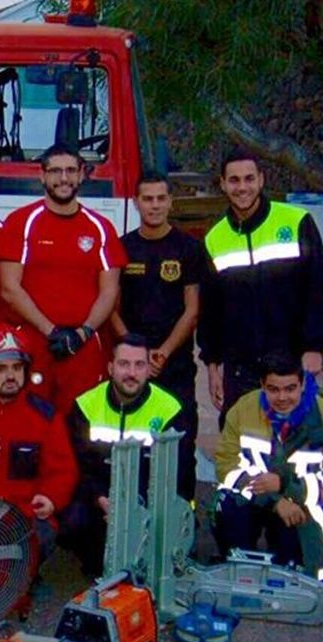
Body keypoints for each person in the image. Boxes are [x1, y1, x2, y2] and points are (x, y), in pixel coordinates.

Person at [198, 148, 323, 422]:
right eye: (234, 181)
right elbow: (211, 310)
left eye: (249, 179)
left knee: (297, 445)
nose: (242, 187)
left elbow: (318, 289)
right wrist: (213, 364)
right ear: (223, 184)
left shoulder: (296, 222)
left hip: (291, 360)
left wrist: (314, 347)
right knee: (241, 448)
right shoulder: (215, 238)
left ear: (261, 180)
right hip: (240, 368)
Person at [0, 143, 127, 414]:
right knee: (30, 422)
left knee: (83, 426)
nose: (63, 178)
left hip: (84, 347)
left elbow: (109, 292)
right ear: (42, 176)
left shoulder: (100, 228)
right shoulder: (21, 222)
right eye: (55, 171)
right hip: (36, 344)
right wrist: (52, 331)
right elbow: (9, 288)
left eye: (70, 171)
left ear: (81, 175)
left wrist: (83, 333)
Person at [213, 352, 323, 581]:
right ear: (262, 385)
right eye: (273, 389)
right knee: (227, 505)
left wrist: (291, 489)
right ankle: (240, 566)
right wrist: (275, 502)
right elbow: (227, 467)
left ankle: (298, 565)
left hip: (302, 507)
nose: (282, 397)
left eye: (290, 388)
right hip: (258, 498)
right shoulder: (243, 410)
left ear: (303, 384)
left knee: (295, 563)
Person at [0, 324, 78, 564]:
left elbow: (64, 471)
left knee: (40, 538)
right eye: (1, 369)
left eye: (17, 368)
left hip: (25, 514)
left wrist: (50, 498)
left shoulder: (46, 416)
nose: (10, 376)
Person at [110, 172, 201, 500]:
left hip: (174, 366)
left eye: (161, 198)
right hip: (134, 369)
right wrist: (137, 356)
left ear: (170, 201)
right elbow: (112, 308)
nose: (155, 205)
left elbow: (192, 310)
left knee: (181, 445)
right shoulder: (122, 247)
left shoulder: (188, 247)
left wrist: (161, 353)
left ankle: (183, 520)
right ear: (136, 203)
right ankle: (134, 514)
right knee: (135, 443)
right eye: (147, 199)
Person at [60, 334, 182, 576]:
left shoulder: (170, 409)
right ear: (110, 368)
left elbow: (180, 472)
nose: (131, 373)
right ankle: (96, 568)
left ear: (149, 369)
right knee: (73, 522)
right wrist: (102, 500)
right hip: (101, 501)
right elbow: (78, 467)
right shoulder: (86, 405)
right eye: (124, 364)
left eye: (139, 365)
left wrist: (136, 509)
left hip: (149, 502)